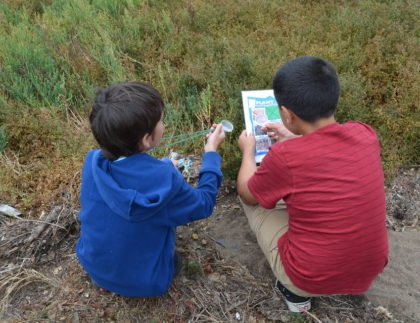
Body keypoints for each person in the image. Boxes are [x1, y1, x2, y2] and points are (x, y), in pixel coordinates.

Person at [236, 56, 388, 312]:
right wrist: (293, 136)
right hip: (368, 271)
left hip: (308, 275)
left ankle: (294, 294)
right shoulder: (365, 133)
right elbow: (327, 157)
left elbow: (248, 193)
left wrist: (247, 152)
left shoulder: (285, 158)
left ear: (286, 114)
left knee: (251, 196)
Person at [76, 81, 225, 297]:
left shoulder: (92, 162)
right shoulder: (167, 179)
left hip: (95, 268)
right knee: (175, 260)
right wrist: (211, 153)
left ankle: (107, 281)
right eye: (161, 121)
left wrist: (165, 169)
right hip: (148, 284)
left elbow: (135, 179)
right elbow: (204, 203)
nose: (163, 124)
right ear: (146, 139)